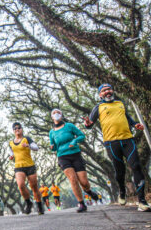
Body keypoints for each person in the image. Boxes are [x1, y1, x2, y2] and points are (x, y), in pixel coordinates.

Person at [84, 83, 151, 212]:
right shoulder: (98, 107)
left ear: (112, 91)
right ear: (100, 94)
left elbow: (129, 119)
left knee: (136, 166)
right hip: (111, 143)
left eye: (109, 89)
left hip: (127, 140)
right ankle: (122, 190)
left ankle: (142, 201)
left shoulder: (120, 104)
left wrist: (135, 124)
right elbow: (89, 124)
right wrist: (87, 123)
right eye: (104, 90)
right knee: (120, 172)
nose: (107, 91)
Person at [49, 108, 99, 213]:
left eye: (58, 112)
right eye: (54, 113)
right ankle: (81, 203)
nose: (56, 114)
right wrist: (52, 147)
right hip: (63, 157)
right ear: (52, 117)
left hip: (75, 155)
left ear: (61, 115)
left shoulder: (69, 126)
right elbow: (54, 146)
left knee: (84, 182)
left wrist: (75, 141)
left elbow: (81, 135)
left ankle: (88, 191)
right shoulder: (51, 132)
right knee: (73, 179)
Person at [8, 122, 44, 215]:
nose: (17, 130)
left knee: (34, 187)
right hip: (18, 167)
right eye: (15, 128)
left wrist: (28, 145)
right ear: (13, 131)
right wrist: (11, 156)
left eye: (19, 128)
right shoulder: (11, 142)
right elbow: (11, 152)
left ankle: (39, 205)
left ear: (22, 129)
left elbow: (36, 148)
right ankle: (28, 203)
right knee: (21, 185)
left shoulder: (26, 139)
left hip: (29, 166)